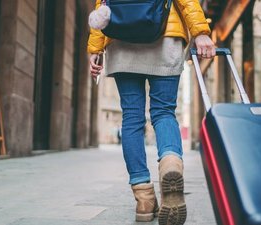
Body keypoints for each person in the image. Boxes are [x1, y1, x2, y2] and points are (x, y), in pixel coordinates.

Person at [87, 0, 215, 224]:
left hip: (120, 37)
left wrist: (95, 48)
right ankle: (171, 164)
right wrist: (200, 30)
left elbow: (102, 2)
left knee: (132, 118)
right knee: (164, 112)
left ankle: (144, 199)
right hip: (165, 35)